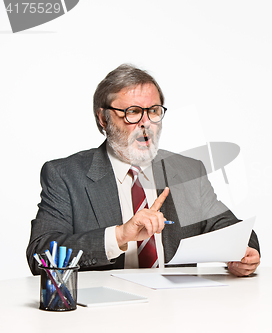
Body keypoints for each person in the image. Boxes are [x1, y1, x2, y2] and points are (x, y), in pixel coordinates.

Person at [27, 64, 260, 277]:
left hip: (177, 311)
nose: (146, 122)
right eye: (133, 112)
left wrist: (243, 252)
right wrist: (119, 236)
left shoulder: (187, 171)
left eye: (154, 111)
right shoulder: (65, 175)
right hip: (102, 316)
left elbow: (229, 227)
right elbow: (41, 254)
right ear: (103, 119)